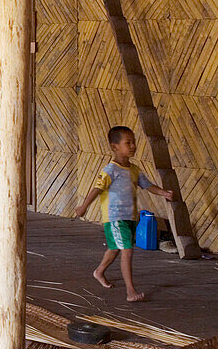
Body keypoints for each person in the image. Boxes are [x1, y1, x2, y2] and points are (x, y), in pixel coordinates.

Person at [74, 126, 174, 302]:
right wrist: (84, 206)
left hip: (130, 218)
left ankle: (99, 272)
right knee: (127, 250)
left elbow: (148, 185)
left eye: (133, 142)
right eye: (128, 143)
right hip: (115, 218)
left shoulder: (134, 170)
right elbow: (97, 189)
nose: (133, 146)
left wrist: (164, 193)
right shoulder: (110, 170)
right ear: (115, 147)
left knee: (114, 249)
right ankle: (130, 291)